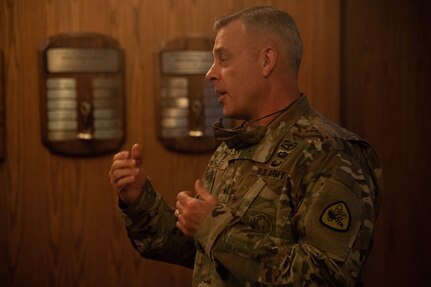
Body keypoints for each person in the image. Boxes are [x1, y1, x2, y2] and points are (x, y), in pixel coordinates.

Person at [109, 6, 382, 286]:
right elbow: (204, 253)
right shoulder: (236, 145)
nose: (210, 74)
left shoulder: (332, 154)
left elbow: (325, 277)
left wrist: (215, 227)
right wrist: (139, 200)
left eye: (223, 59)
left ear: (266, 61)